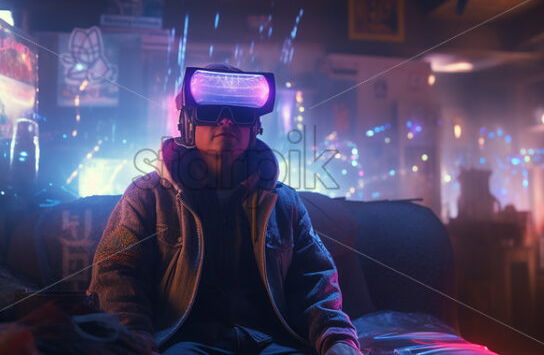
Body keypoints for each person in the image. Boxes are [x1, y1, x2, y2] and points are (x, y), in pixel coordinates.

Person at [88, 64, 361, 354]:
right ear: (187, 121)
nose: (226, 122)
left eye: (240, 114)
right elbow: (116, 273)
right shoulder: (146, 196)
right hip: (183, 342)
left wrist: (338, 341)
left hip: (269, 342)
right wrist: (135, 340)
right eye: (211, 111)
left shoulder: (285, 203)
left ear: (255, 126)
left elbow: (315, 280)